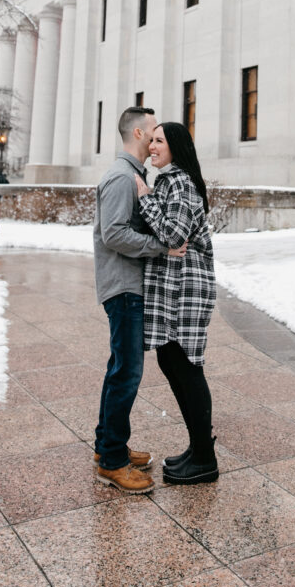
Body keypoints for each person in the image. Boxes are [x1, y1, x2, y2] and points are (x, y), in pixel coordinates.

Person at [93, 105, 187, 494]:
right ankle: (112, 462)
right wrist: (160, 247)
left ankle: (107, 447)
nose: (155, 135)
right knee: (127, 373)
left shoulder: (132, 174)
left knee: (120, 369)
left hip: (128, 286)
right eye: (152, 129)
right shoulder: (121, 178)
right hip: (124, 288)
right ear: (137, 134)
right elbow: (113, 234)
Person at [134, 121, 218, 485]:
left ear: (176, 148)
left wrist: (145, 198)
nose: (152, 146)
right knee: (171, 359)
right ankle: (198, 448)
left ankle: (205, 457)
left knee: (186, 364)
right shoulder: (170, 182)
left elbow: (173, 235)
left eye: (159, 141)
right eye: (150, 140)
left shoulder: (180, 183)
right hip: (174, 286)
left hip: (188, 288)